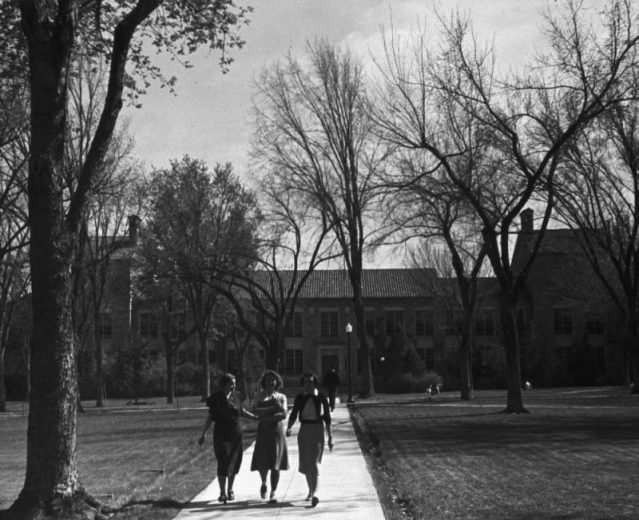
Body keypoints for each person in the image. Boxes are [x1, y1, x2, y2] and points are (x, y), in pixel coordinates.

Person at [199, 373, 252, 504]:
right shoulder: (216, 399)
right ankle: (222, 492)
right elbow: (210, 417)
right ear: (224, 384)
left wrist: (257, 418)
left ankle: (230, 490)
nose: (233, 386)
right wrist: (203, 434)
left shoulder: (237, 396)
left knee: (233, 462)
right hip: (221, 434)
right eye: (231, 383)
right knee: (222, 461)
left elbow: (242, 412)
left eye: (234, 383)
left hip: (235, 434)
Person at [286, 371, 332, 508]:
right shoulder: (300, 397)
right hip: (304, 431)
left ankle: (315, 494)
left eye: (310, 382)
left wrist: (330, 437)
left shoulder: (322, 397)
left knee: (314, 461)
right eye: (306, 382)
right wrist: (289, 427)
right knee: (306, 464)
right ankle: (311, 491)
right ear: (303, 384)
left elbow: (327, 418)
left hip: (318, 430)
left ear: (315, 383)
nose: (308, 384)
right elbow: (294, 414)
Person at [250, 370, 289, 503]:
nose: (270, 382)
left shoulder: (281, 397)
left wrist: (265, 417)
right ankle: (264, 482)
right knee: (262, 461)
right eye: (268, 380)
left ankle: (273, 492)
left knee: (275, 463)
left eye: (273, 380)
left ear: (277, 382)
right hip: (263, 432)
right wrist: (271, 410)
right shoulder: (258, 396)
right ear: (264, 382)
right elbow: (254, 411)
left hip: (277, 432)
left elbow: (283, 415)